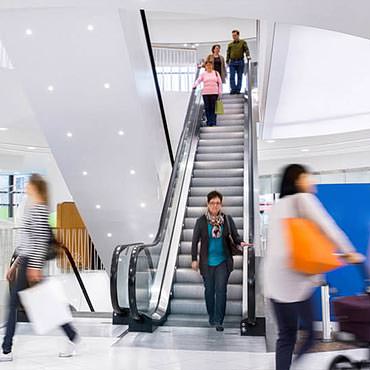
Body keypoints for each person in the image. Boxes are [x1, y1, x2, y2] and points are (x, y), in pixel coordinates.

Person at [263, 164, 363, 370]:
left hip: (273, 283)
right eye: (308, 177)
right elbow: (329, 228)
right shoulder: (303, 199)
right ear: (298, 180)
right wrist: (350, 252)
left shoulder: (278, 206)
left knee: (286, 336)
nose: (312, 181)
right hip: (295, 281)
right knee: (308, 336)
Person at [0, 174, 79, 362]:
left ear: (35, 187)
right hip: (26, 261)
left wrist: (34, 267)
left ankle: (6, 348)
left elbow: (41, 242)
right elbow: (26, 243)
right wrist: (14, 266)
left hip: (31, 264)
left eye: (28, 185)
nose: (26, 187)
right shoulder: (32, 208)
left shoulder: (40, 209)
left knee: (20, 305)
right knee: (36, 303)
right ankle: (71, 335)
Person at [191, 191, 248, 331]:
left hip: (223, 261)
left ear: (221, 204)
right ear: (207, 204)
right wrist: (194, 259)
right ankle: (211, 315)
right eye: (212, 203)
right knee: (209, 291)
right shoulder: (201, 222)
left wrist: (241, 243)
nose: (215, 206)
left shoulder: (227, 220)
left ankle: (218, 321)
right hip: (207, 263)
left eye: (218, 203)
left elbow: (235, 237)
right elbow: (194, 242)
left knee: (221, 291)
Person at [193, 60, 222, 126]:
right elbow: (198, 80)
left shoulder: (216, 73)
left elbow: (220, 83)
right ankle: (209, 122)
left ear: (212, 66)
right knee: (207, 108)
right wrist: (195, 85)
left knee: (213, 108)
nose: (209, 66)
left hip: (214, 93)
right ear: (205, 66)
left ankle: (213, 122)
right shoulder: (203, 74)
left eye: (210, 65)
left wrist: (220, 92)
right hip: (205, 93)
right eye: (207, 65)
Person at [226, 29, 250, 94]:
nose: (234, 37)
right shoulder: (230, 44)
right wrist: (227, 60)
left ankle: (238, 90)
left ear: (238, 35)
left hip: (240, 61)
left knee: (240, 76)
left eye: (235, 35)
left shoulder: (243, 42)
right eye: (233, 35)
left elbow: (246, 50)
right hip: (232, 62)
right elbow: (228, 53)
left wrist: (248, 56)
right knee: (232, 76)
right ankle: (233, 89)